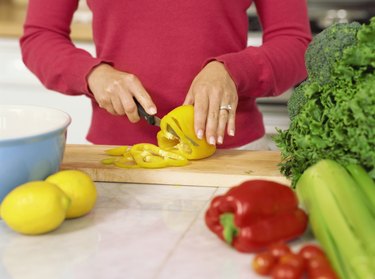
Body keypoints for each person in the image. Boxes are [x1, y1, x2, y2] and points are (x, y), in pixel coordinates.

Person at [20, 0, 312, 149]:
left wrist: (233, 71)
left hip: (231, 154)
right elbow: (40, 36)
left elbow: (296, 43)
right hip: (117, 157)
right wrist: (92, 74)